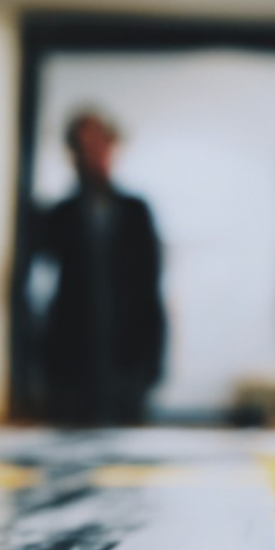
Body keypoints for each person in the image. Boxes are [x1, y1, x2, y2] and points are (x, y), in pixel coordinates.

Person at [33, 111, 167, 427]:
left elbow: (151, 285)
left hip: (127, 357)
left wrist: (154, 359)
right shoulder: (58, 215)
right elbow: (40, 287)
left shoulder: (137, 213)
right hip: (72, 364)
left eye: (99, 143)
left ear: (112, 146)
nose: (92, 153)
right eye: (83, 146)